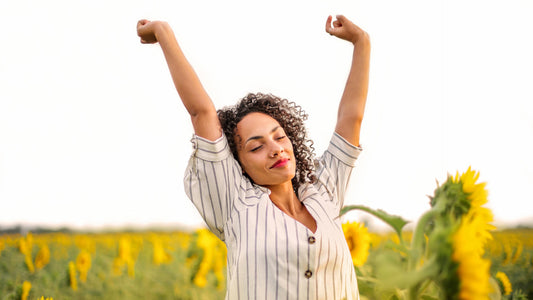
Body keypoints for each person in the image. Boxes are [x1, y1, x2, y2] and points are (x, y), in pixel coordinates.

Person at [137, 14, 370, 300]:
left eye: (280, 136)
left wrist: (361, 42)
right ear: (239, 163)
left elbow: (352, 117)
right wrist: (163, 33)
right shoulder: (236, 202)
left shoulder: (324, 192)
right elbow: (201, 112)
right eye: (256, 147)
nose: (276, 149)